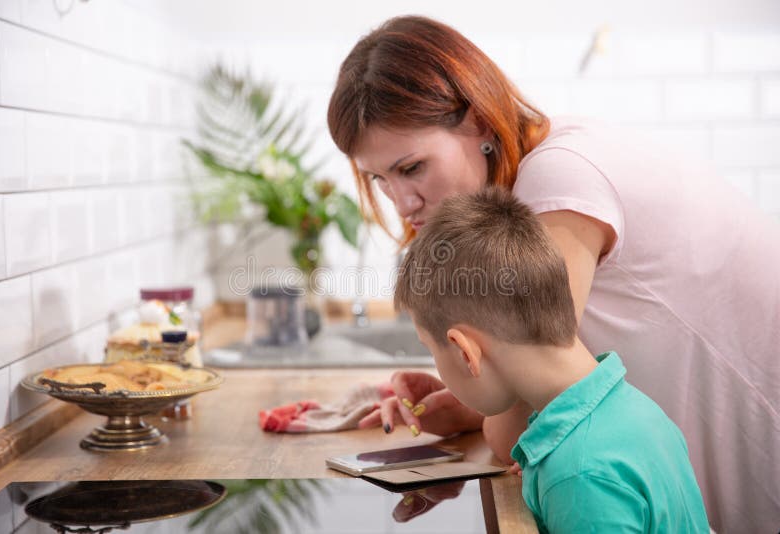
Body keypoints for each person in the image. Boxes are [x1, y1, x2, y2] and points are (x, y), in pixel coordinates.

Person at [326, 15, 780, 534]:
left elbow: (516, 426)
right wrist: (468, 398)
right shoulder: (546, 164)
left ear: (476, 122)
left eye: (411, 168)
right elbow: (535, 382)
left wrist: (478, 390)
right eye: (378, 179)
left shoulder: (558, 181)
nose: (402, 201)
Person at [395, 187, 710, 532]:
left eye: (431, 349)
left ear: (464, 352)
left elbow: (586, 479)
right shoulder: (637, 413)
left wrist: (564, 480)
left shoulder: (580, 474)